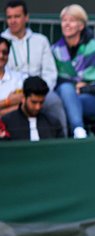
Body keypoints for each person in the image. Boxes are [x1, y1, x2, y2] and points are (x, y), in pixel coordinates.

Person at [2, 0, 67, 137]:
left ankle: (63, 142)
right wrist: (19, 94)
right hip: (13, 90)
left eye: (17, 16)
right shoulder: (2, 42)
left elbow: (50, 72)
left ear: (26, 17)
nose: (13, 21)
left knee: (54, 101)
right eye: (9, 17)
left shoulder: (40, 40)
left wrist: (40, 90)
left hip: (40, 90)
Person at [51, 4, 95, 139]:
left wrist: (85, 89)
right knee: (66, 92)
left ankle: (76, 133)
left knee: (69, 102)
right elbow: (53, 80)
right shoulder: (55, 50)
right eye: (64, 20)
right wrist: (75, 87)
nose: (66, 24)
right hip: (66, 95)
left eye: (72, 20)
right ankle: (79, 132)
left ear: (81, 25)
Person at [1, 75, 63, 140]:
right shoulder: (7, 122)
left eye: (41, 102)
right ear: (23, 98)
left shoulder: (52, 123)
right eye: (34, 102)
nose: (37, 107)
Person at [0, 36, 23, 117]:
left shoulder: (19, 77)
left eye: (5, 52)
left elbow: (21, 106)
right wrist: (8, 101)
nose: (1, 56)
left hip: (11, 126)